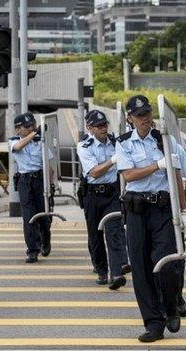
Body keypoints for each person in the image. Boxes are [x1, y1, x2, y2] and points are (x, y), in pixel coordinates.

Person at [116, 94, 186, 342]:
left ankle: (170, 306)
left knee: (167, 263)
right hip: (136, 211)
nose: (144, 119)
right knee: (141, 268)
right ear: (130, 119)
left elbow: (179, 175)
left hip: (163, 209)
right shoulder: (124, 143)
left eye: (147, 114)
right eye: (139, 115)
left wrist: (185, 211)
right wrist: (158, 165)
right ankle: (153, 323)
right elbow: (129, 175)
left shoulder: (166, 141)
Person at [77, 109, 131, 289]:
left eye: (105, 124)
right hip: (92, 194)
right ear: (89, 128)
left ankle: (116, 274)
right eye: (98, 126)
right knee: (95, 234)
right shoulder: (84, 146)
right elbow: (94, 172)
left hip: (112, 194)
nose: (103, 128)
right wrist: (114, 160)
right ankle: (101, 270)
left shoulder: (116, 142)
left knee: (113, 231)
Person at [9, 112, 53, 263]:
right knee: (28, 217)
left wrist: (51, 184)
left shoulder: (41, 141)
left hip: (40, 179)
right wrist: (34, 133)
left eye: (32, 125)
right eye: (27, 127)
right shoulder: (14, 141)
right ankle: (32, 250)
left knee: (44, 214)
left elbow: (49, 165)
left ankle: (45, 240)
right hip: (25, 181)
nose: (30, 128)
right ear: (18, 129)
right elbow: (19, 146)